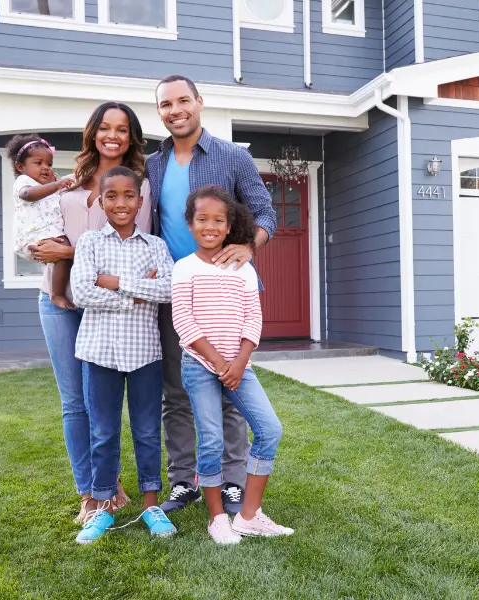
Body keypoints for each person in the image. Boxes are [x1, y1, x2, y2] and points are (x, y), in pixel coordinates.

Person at [147, 74, 276, 515]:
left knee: (231, 390)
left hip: (227, 294)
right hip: (177, 294)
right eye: (166, 104)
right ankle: (184, 482)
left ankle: (233, 481)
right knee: (177, 393)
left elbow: (264, 212)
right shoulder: (153, 164)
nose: (175, 109)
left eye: (183, 100)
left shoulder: (231, 157)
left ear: (199, 102)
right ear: (159, 112)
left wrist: (249, 244)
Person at [31, 102, 152, 523]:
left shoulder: (140, 186)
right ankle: (91, 490)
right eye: (104, 127)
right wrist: (42, 248)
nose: (112, 135)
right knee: (72, 403)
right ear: (93, 132)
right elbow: (43, 231)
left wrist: (67, 250)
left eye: (121, 129)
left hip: (105, 307)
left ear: (131, 136)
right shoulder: (67, 180)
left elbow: (134, 253)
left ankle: (107, 479)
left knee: (100, 401)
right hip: (58, 298)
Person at [173, 185, 292, 544]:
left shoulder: (244, 269)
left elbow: (253, 320)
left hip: (240, 366)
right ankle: (216, 518)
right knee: (211, 440)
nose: (210, 226)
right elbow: (184, 322)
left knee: (269, 430)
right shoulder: (184, 268)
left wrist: (239, 363)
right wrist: (220, 362)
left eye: (218, 220)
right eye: (202, 219)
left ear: (229, 227)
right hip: (199, 365)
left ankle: (249, 515)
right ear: (190, 224)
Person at [72, 166, 176, 544]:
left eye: (128, 196)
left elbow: (167, 290)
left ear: (140, 200)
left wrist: (115, 284)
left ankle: (151, 504)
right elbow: (82, 293)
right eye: (111, 196)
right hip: (99, 352)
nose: (120, 203)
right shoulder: (89, 243)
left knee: (148, 431)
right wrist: (137, 293)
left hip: (145, 352)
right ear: (101, 201)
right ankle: (101, 506)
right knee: (103, 432)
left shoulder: (156, 247)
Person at [6, 135, 73, 309]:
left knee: (64, 253)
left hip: (48, 232)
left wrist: (56, 186)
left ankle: (59, 292)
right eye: (38, 163)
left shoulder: (47, 186)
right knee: (63, 253)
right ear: (21, 167)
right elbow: (28, 195)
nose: (45, 168)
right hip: (33, 235)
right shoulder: (24, 182)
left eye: (49, 164)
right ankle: (57, 294)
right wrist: (56, 185)